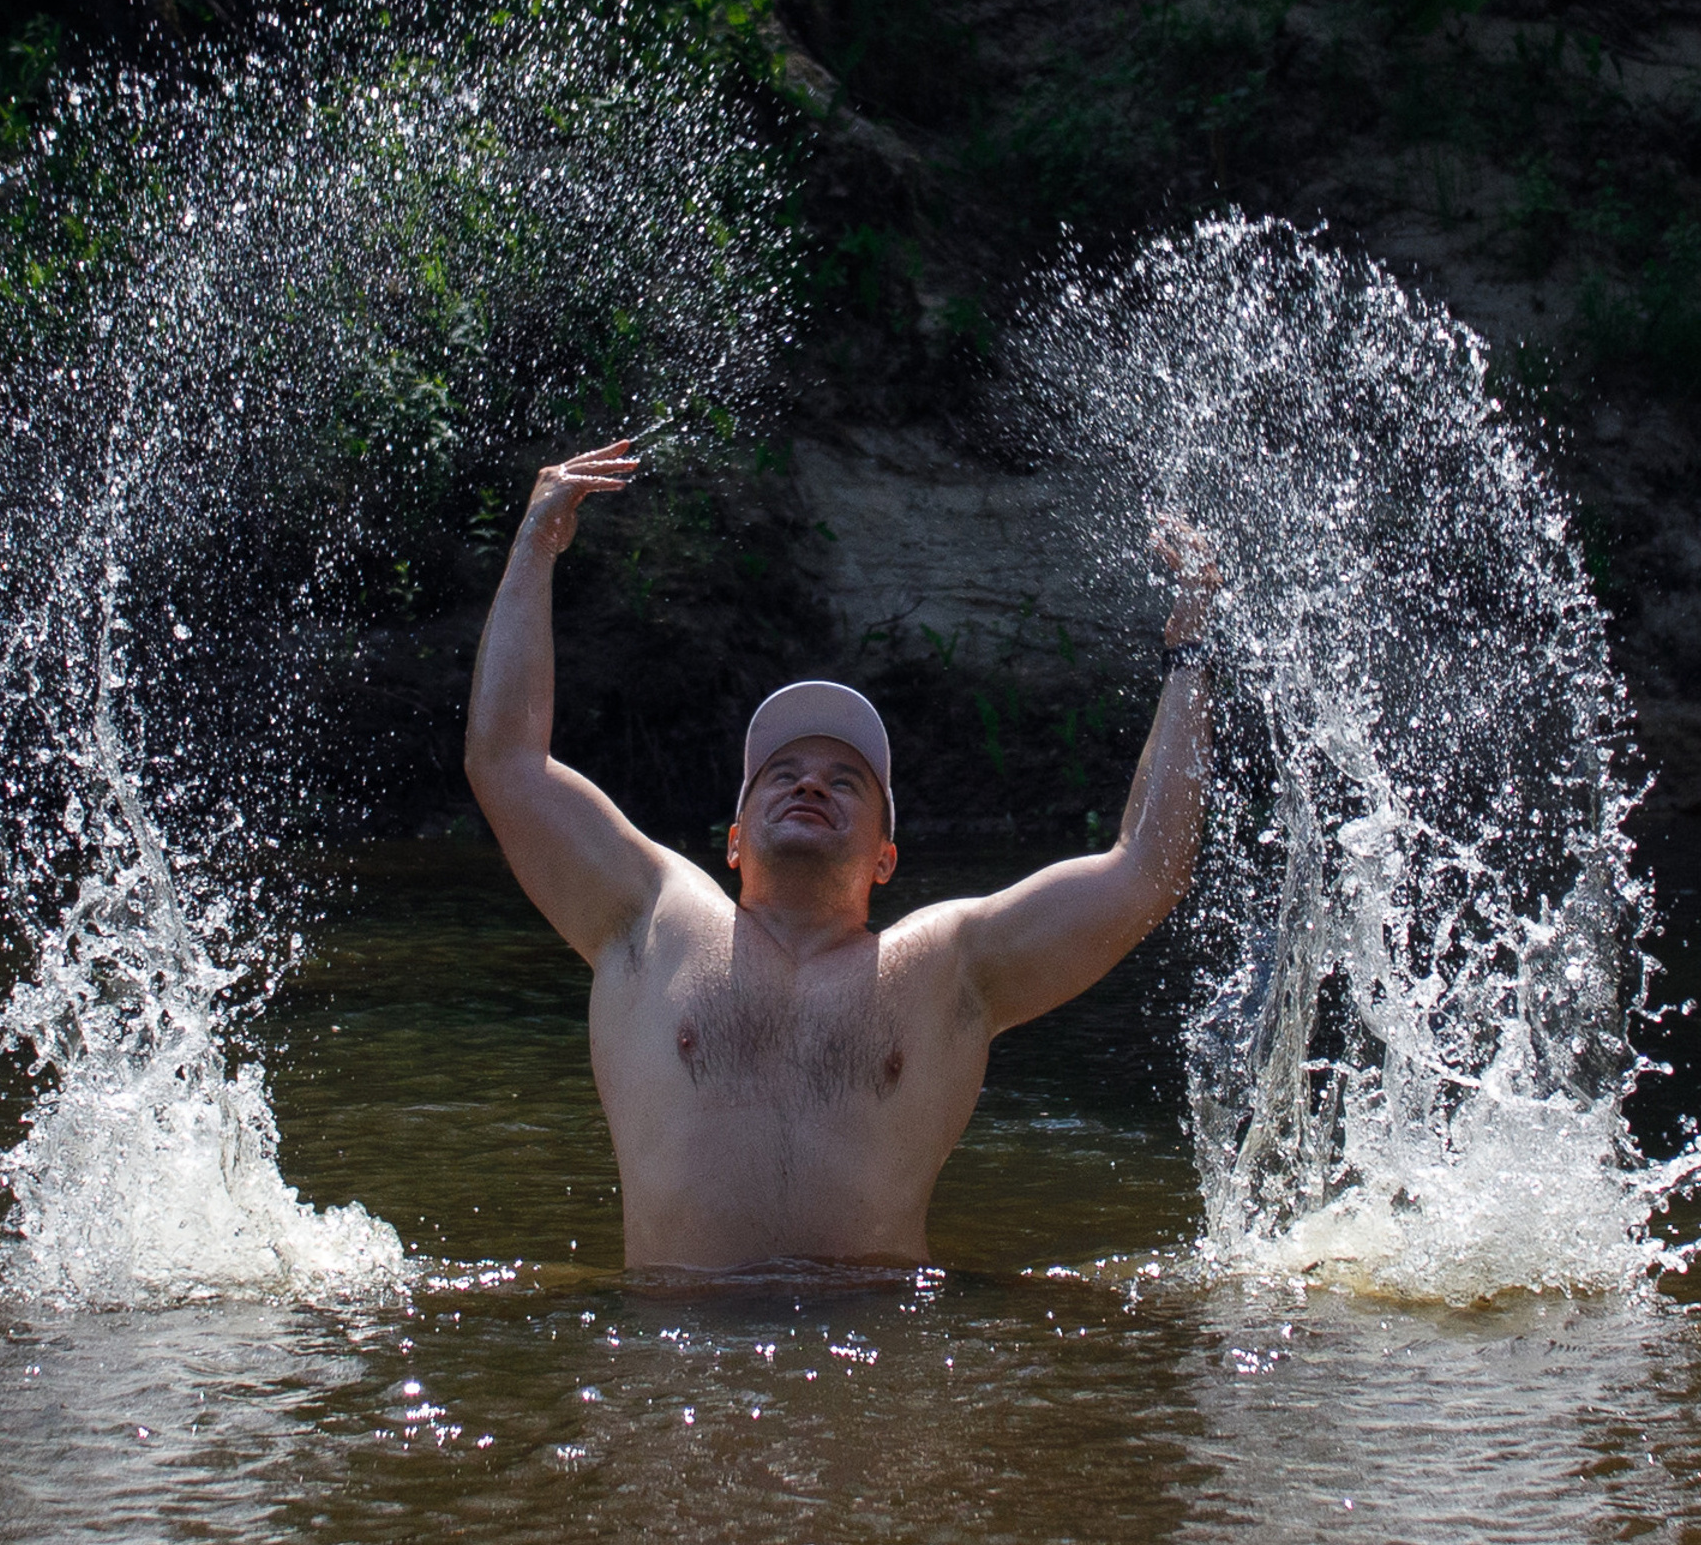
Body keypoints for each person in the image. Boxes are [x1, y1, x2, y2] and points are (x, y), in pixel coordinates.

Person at [464, 439, 1220, 1271]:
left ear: (887, 859)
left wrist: (1189, 650)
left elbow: (1149, 869)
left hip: (876, 1351)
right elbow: (506, 762)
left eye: (845, 781)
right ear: (736, 841)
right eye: (781, 774)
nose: (810, 785)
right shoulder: (650, 915)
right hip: (677, 1363)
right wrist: (534, 544)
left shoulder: (950, 965)